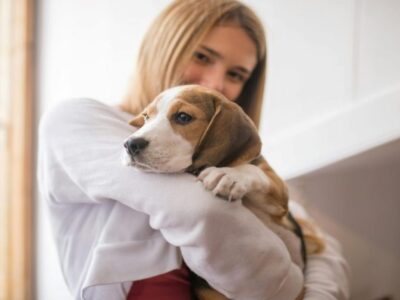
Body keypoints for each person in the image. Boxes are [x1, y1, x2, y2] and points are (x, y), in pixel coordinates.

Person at [37, 0, 350, 299]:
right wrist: (288, 289)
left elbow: (320, 245)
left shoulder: (229, 167)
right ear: (163, 45)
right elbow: (203, 212)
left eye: (236, 74)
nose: (215, 83)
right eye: (202, 56)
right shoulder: (79, 121)